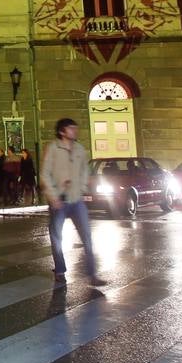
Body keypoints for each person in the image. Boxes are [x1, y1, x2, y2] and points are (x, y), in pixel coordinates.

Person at [40, 118, 104, 286]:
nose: (75, 131)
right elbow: (45, 174)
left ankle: (92, 274)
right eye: (71, 129)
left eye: (76, 128)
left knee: (87, 237)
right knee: (56, 237)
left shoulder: (80, 149)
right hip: (59, 200)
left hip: (77, 200)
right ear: (62, 131)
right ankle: (60, 270)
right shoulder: (53, 148)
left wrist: (82, 188)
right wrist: (53, 196)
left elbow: (85, 171)